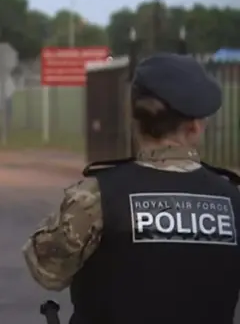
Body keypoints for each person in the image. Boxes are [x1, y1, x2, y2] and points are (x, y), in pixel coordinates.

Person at [23, 53, 240, 324]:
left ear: (134, 119)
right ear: (195, 127)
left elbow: (46, 270)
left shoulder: (96, 197)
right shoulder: (233, 201)